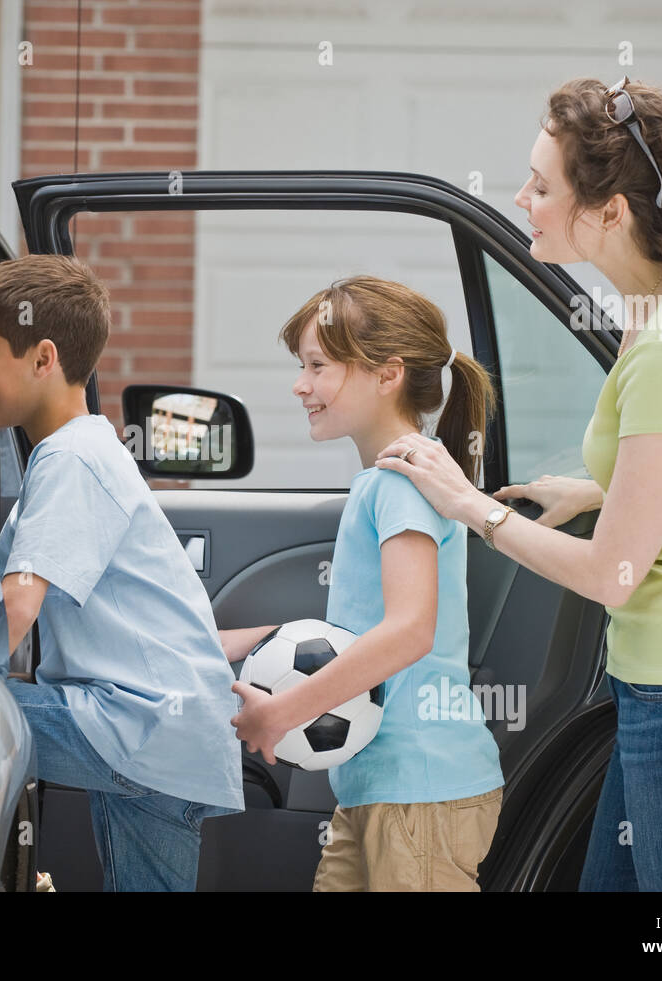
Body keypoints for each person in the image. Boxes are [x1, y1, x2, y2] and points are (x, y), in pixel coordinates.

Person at [375, 77, 662, 891]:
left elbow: (614, 572)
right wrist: (606, 490)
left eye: (543, 186)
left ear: (611, 211)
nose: (521, 198)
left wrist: (467, 504)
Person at [0, 254, 245, 892]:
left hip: (139, 722)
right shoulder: (79, 450)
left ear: (43, 358)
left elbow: (18, 605)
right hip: (163, 726)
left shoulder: (71, 458)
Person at [223, 276, 505, 891]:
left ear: (387, 374)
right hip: (382, 786)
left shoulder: (402, 481)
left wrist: (284, 712)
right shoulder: (390, 477)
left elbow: (409, 631)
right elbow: (362, 626)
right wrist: (247, 641)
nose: (301, 385)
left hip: (420, 790)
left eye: (318, 366)